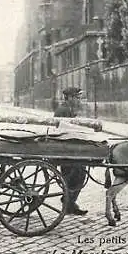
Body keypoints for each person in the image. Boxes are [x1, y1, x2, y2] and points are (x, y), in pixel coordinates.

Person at [54, 87, 88, 216]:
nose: (79, 100)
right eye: (77, 98)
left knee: (78, 175)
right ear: (69, 98)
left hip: (70, 149)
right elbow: (62, 131)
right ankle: (68, 202)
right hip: (66, 151)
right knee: (77, 175)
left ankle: (69, 202)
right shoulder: (62, 110)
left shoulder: (68, 109)